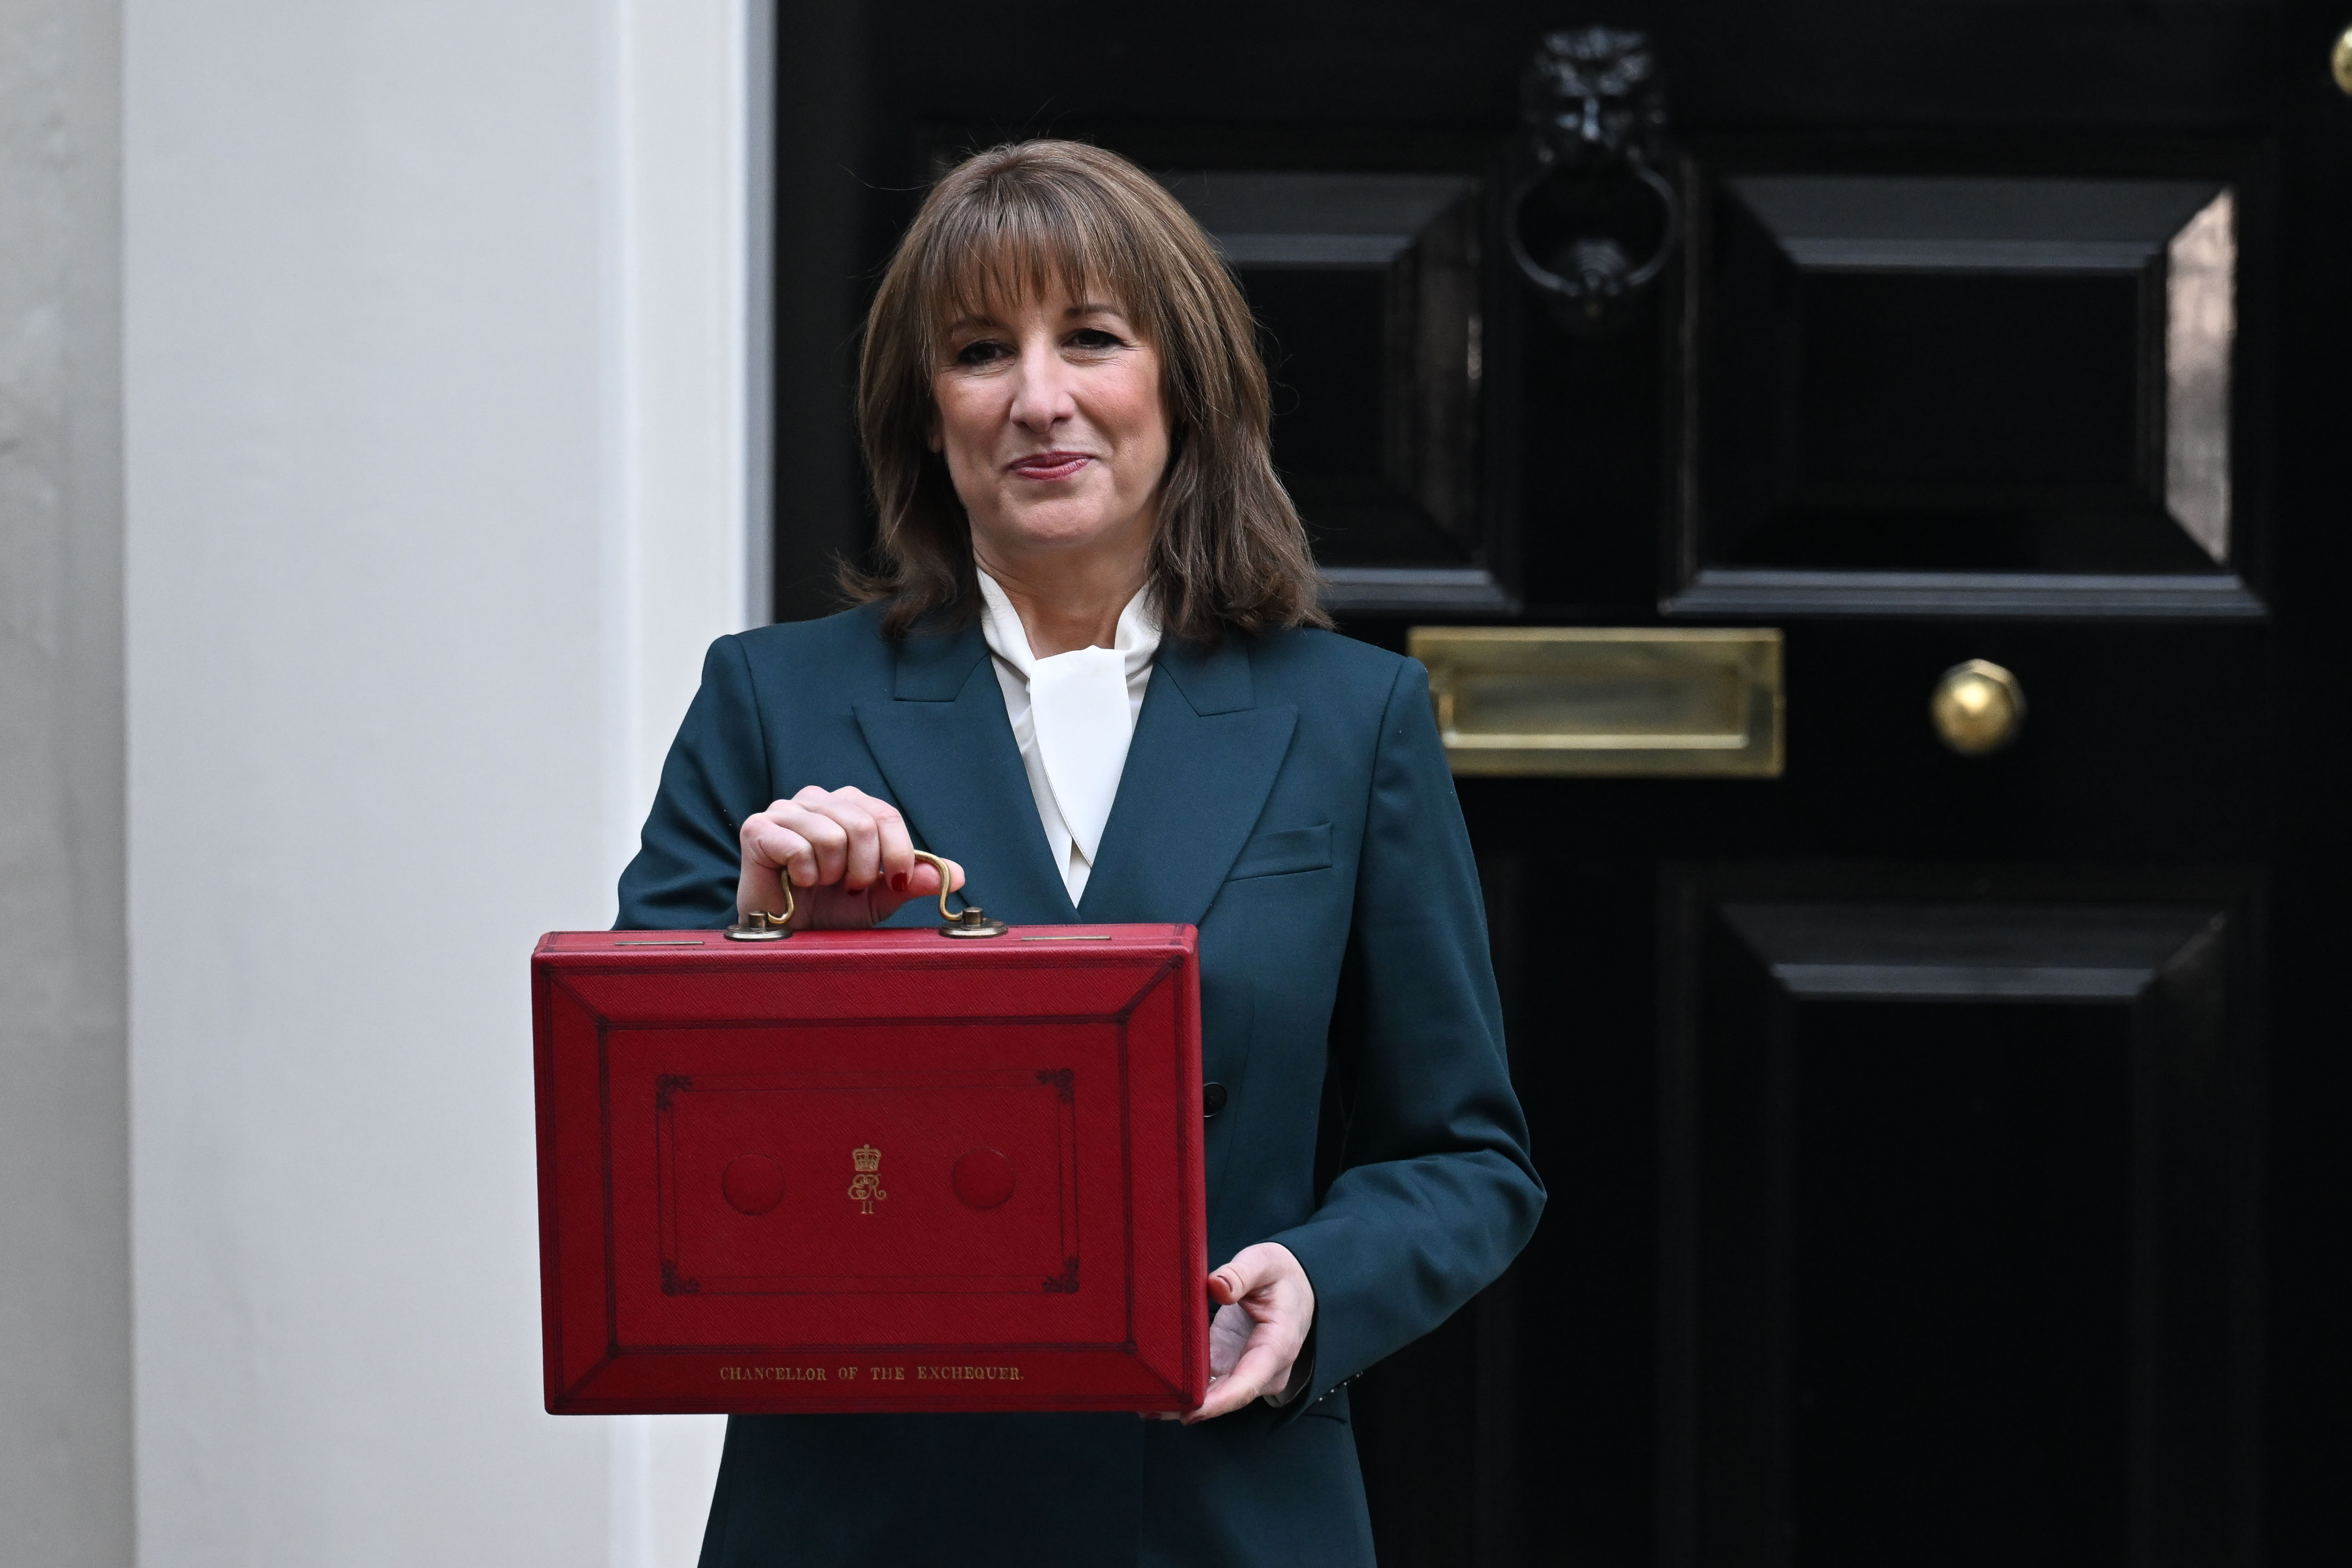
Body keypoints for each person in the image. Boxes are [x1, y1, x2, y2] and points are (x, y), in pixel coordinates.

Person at [618, 139, 1543, 1568]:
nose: (1039, 398)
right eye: (981, 350)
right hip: (863, 1517)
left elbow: (1466, 1155)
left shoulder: (1352, 719)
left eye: (1093, 338)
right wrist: (765, 947)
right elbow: (639, 1163)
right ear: (927, 414)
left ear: (1185, 384)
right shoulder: (770, 701)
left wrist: (1315, 1286)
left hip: (1220, 1505)